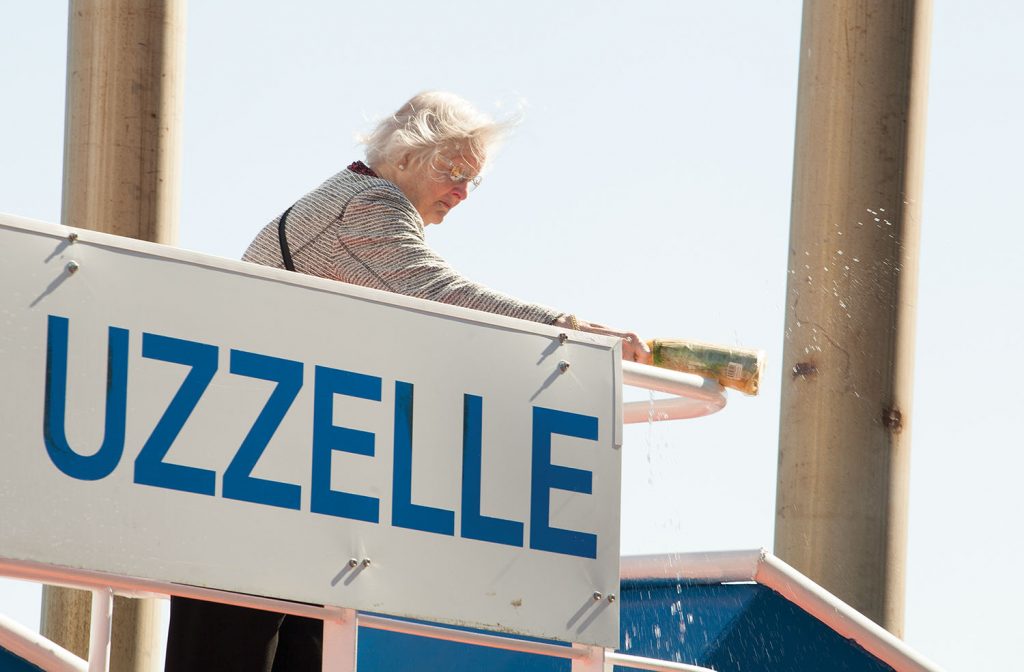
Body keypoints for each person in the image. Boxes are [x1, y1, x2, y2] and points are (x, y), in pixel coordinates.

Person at [164, 91, 650, 672]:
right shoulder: (370, 201)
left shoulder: (338, 197)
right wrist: (568, 329)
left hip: (271, 467)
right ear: (403, 155)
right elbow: (437, 295)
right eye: (454, 170)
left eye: (475, 180)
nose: (462, 192)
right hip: (263, 472)